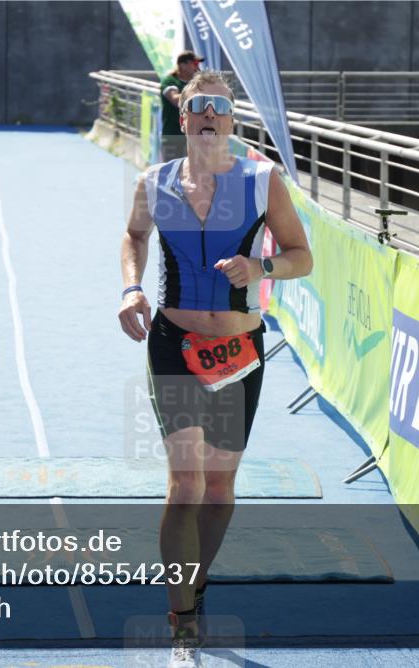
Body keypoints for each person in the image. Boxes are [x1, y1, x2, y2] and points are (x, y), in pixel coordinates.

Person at [117, 71, 312, 668]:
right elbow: (133, 236)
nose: (208, 116)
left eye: (220, 109)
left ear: (233, 121)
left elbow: (301, 257)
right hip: (173, 343)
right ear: (184, 118)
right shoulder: (154, 182)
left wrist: (261, 271)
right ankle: (183, 621)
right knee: (186, 485)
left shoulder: (262, 181)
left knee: (221, 488)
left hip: (238, 353)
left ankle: (194, 588)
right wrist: (131, 289)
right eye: (198, 107)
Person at [160, 51, 204, 162]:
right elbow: (175, 100)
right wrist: (197, 91)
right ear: (182, 65)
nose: (197, 67)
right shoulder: (170, 81)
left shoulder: (196, 83)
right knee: (172, 173)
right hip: (174, 137)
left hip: (195, 138)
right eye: (194, 63)